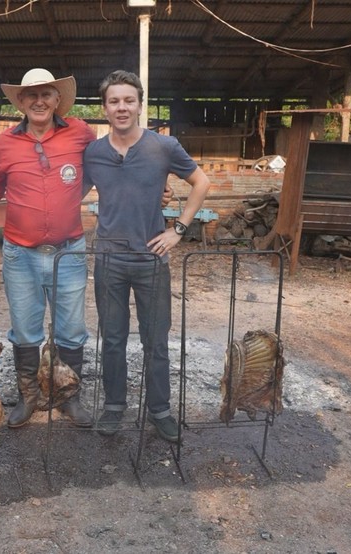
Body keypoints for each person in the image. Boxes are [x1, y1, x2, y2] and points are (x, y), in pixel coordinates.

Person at [82, 70, 211, 442]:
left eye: (128, 100)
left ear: (140, 104)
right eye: (114, 101)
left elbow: (201, 183)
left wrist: (179, 230)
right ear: (105, 108)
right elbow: (74, 194)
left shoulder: (163, 147)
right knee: (114, 338)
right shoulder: (94, 153)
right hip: (108, 258)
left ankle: (160, 410)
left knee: (156, 340)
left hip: (151, 260)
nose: (121, 107)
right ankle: (114, 407)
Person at [0, 68, 97, 428]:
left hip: (69, 251)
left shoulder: (80, 132)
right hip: (20, 253)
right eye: (30, 95)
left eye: (46, 94)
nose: (38, 101)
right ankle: (29, 395)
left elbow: (99, 171)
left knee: (72, 329)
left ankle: (68, 396)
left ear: (57, 99)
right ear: (20, 101)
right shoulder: (5, 143)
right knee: (25, 329)